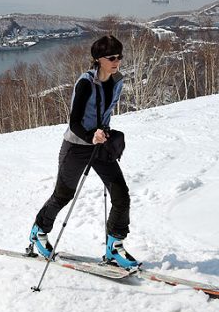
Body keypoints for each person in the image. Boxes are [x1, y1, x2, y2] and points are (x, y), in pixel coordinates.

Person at [27, 35, 139, 268]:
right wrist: (91, 136)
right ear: (98, 59)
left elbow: (104, 113)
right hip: (76, 147)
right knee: (63, 195)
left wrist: (104, 133)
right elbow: (75, 122)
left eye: (119, 57)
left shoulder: (117, 80)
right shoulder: (85, 83)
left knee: (121, 195)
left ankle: (114, 247)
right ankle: (39, 231)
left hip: (100, 145)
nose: (116, 61)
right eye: (111, 57)